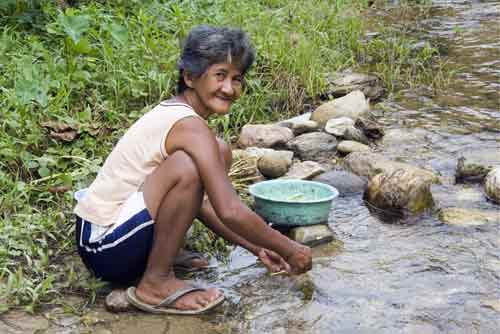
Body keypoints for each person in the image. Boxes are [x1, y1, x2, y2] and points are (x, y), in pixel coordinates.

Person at [73, 25, 312, 315]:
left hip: (117, 239)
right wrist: (289, 248)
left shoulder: (187, 122)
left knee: (218, 150)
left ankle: (160, 260)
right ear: (189, 77)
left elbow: (204, 204)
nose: (229, 87)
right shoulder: (188, 125)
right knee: (189, 166)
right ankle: (155, 281)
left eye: (237, 78)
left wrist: (257, 247)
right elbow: (229, 210)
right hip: (103, 247)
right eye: (220, 75)